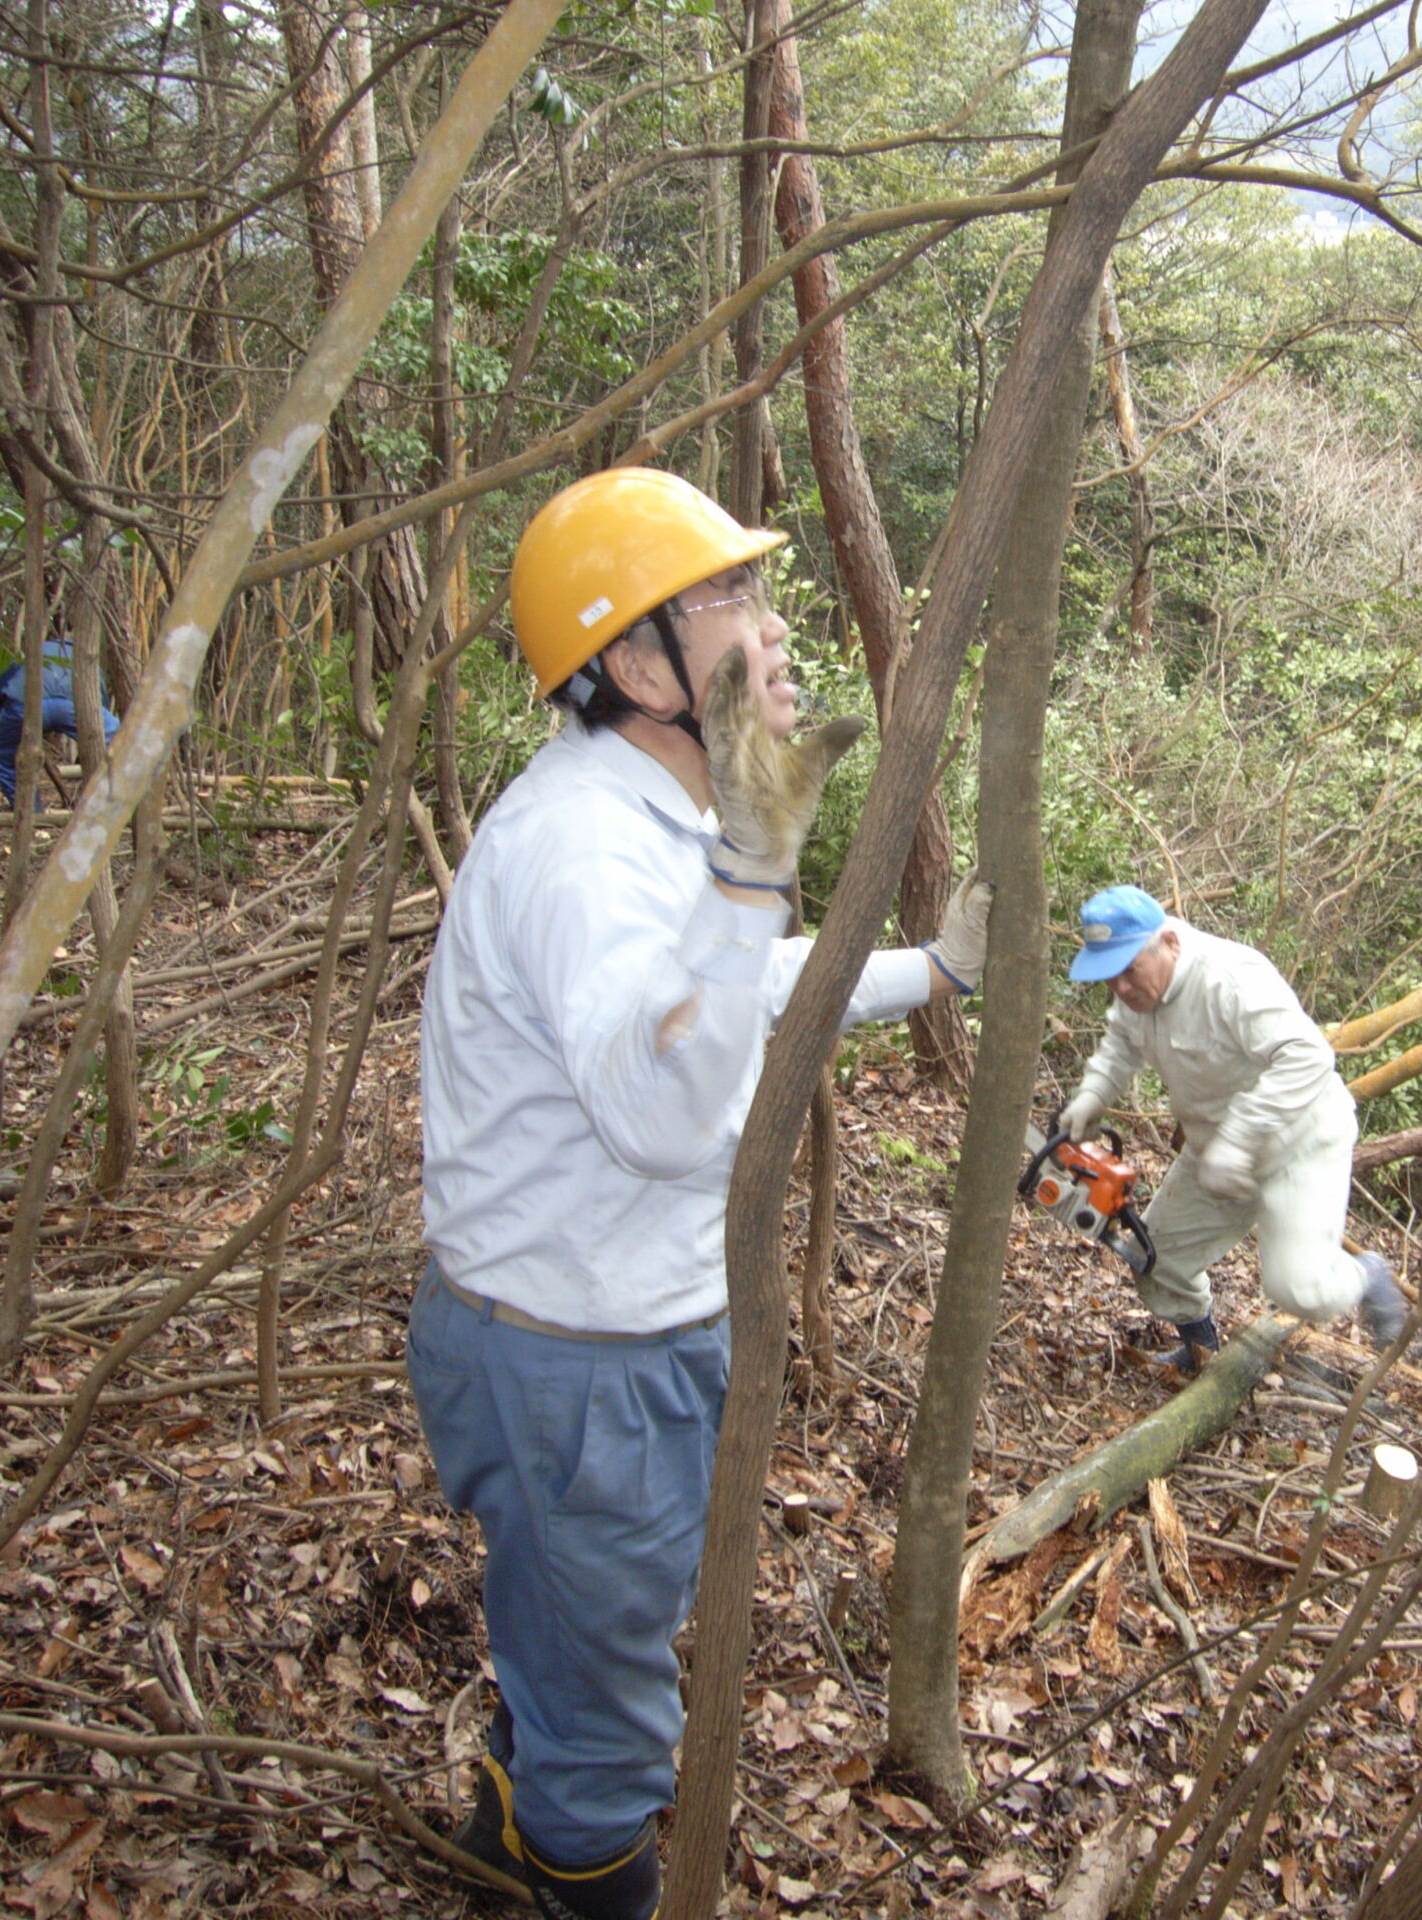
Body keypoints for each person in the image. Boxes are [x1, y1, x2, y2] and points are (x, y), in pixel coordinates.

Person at [409, 467, 991, 1920]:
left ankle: (511, 1821)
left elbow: (726, 994)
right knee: (612, 1724)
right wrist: (750, 866)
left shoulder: (651, 812)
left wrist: (930, 972)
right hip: (575, 1366)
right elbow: (664, 1112)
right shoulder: (584, 851)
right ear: (635, 665)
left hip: (594, 1337)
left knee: (577, 1636)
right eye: (729, 596)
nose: (774, 625)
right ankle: (571, 1865)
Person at [1054, 883, 1402, 1373]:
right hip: (1214, 1150)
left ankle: (1367, 1275)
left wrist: (1239, 1139)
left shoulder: (1230, 978)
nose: (1122, 988)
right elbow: (1120, 1044)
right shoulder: (1136, 995)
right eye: (1109, 977)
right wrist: (1093, 1095)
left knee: (1301, 1290)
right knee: (1157, 1259)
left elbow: (1307, 1056)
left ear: (1169, 942)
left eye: (1129, 971)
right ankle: (1201, 1354)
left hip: (1297, 1143)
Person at [0, 635, 119, 805]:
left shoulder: (33, 651)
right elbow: (100, 703)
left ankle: (29, 810)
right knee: (119, 742)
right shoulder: (89, 659)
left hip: (26, 704)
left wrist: (2, 714)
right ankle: (114, 804)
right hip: (74, 706)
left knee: (1, 751)